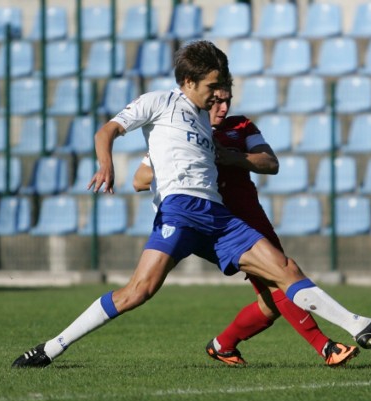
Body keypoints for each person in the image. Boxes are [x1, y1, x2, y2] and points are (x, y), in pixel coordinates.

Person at [12, 40, 371, 369]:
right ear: (188, 82)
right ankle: (51, 348)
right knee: (138, 292)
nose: (217, 96)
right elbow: (109, 130)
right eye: (211, 87)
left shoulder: (207, 121)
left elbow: (263, 161)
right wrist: (106, 164)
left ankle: (358, 325)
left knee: (285, 269)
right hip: (180, 212)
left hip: (219, 216)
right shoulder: (159, 103)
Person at [132, 87, 356, 367]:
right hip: (223, 225)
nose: (223, 108)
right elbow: (139, 180)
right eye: (216, 102)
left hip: (254, 218)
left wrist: (231, 158)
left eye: (227, 101)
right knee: (279, 285)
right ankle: (327, 348)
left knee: (272, 302)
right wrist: (189, 163)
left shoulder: (242, 125)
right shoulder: (181, 129)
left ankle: (223, 345)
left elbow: (270, 162)